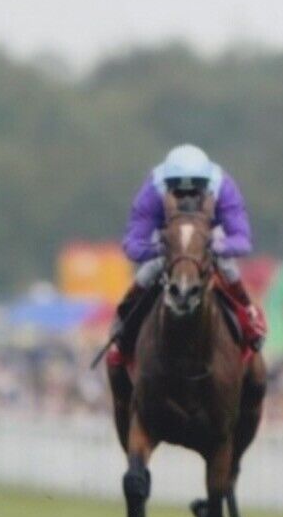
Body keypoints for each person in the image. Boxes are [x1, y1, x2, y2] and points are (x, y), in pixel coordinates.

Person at [108, 143, 266, 357]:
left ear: (206, 183)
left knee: (228, 266)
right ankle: (123, 322)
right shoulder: (153, 190)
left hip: (208, 235)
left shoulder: (223, 187)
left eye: (194, 189)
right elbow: (132, 244)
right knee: (148, 270)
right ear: (167, 183)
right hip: (169, 236)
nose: (186, 196)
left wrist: (218, 246)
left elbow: (242, 240)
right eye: (178, 190)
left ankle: (250, 319)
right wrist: (159, 249)